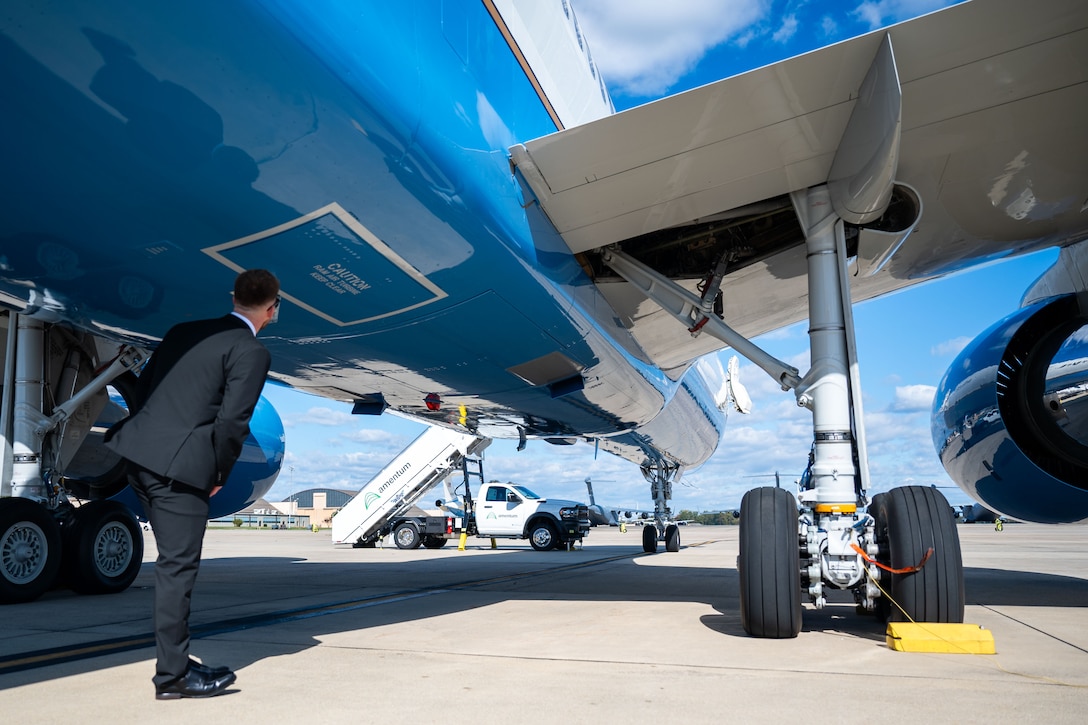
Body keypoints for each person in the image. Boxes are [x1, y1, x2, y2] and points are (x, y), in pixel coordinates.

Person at [105, 269, 280, 700]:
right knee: (176, 570)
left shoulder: (184, 331)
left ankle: (178, 660)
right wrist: (218, 473)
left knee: (171, 566)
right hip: (178, 472)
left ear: (233, 297)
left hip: (138, 458)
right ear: (273, 307)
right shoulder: (250, 351)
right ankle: (172, 678)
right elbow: (233, 420)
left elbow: (144, 390)